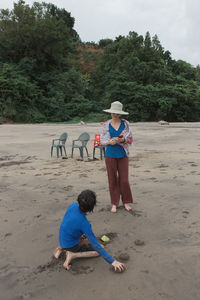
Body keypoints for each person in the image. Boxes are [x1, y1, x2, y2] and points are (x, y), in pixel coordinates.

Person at [53, 189, 125, 272]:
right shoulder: (84, 224)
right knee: (100, 248)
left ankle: (61, 248)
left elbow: (69, 223)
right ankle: (73, 254)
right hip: (71, 244)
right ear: (91, 207)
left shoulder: (73, 205)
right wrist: (113, 261)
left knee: (85, 239)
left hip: (63, 238)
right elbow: (96, 245)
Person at [101, 101, 133, 213]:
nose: (115, 115)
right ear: (111, 113)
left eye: (117, 113)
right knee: (112, 179)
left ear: (120, 114)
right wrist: (109, 142)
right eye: (113, 112)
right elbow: (102, 141)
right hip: (110, 155)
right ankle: (114, 203)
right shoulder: (105, 125)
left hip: (123, 154)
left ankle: (126, 201)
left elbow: (130, 139)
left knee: (124, 180)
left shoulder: (126, 124)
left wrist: (123, 140)